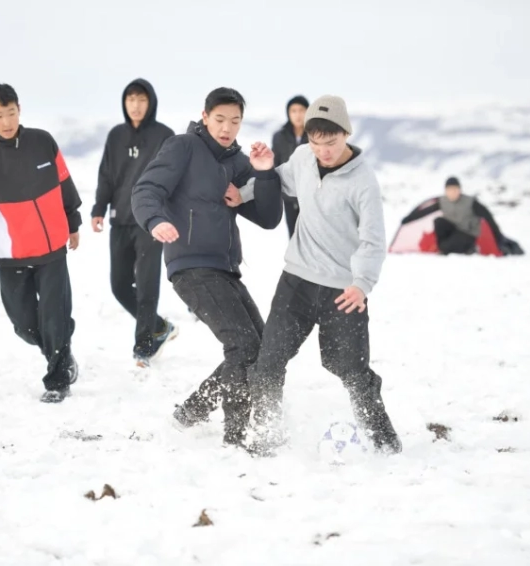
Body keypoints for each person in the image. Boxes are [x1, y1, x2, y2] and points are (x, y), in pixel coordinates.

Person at [239, 95, 402, 455]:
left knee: (351, 370)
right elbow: (279, 181)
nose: (323, 151)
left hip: (343, 292)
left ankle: (385, 444)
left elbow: (373, 240)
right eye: (316, 141)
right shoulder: (302, 157)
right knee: (269, 363)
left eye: (331, 142)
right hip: (296, 282)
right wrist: (244, 191)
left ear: (346, 133)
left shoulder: (363, 181)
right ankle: (266, 436)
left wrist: (362, 284)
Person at [131, 87, 283, 447]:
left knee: (263, 348)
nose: (227, 128)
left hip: (225, 269)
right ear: (205, 116)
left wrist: (264, 174)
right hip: (191, 267)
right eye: (220, 119)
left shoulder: (238, 162)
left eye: (235, 121)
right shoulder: (183, 147)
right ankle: (236, 436)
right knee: (243, 346)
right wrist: (155, 220)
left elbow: (268, 218)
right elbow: (145, 190)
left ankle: (192, 412)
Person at [0, 83, 82, 403]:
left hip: (52, 250)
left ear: (19, 109)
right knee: (25, 325)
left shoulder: (43, 142)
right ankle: (60, 348)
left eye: (11, 113)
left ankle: (57, 380)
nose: (7, 121)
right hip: (12, 255)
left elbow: (64, 184)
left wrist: (73, 223)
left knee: (54, 317)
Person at [90, 79, 178, 367]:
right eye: (130, 100)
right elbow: (106, 175)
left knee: (146, 284)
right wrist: (99, 208)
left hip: (151, 221)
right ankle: (159, 326)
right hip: (120, 219)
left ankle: (144, 347)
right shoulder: (116, 135)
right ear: (124, 103)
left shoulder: (165, 135)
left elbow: (174, 176)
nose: (136, 106)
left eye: (141, 100)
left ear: (150, 102)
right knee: (119, 286)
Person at [400, 177, 522, 255]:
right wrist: (408, 219)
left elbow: (488, 217)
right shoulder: (443, 201)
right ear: (446, 191)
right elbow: (426, 211)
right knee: (439, 221)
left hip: (468, 234)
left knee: (447, 248)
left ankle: (469, 248)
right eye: (449, 190)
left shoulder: (470, 202)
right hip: (453, 231)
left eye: (455, 189)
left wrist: (497, 235)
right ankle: (444, 247)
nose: (452, 192)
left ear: (459, 190)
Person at [271, 95, 309, 237]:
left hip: (311, 197)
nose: (298, 115)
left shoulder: (315, 134)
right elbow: (276, 164)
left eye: (301, 110)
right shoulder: (279, 136)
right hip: (289, 197)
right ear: (288, 113)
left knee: (312, 237)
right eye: (293, 111)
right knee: (294, 237)